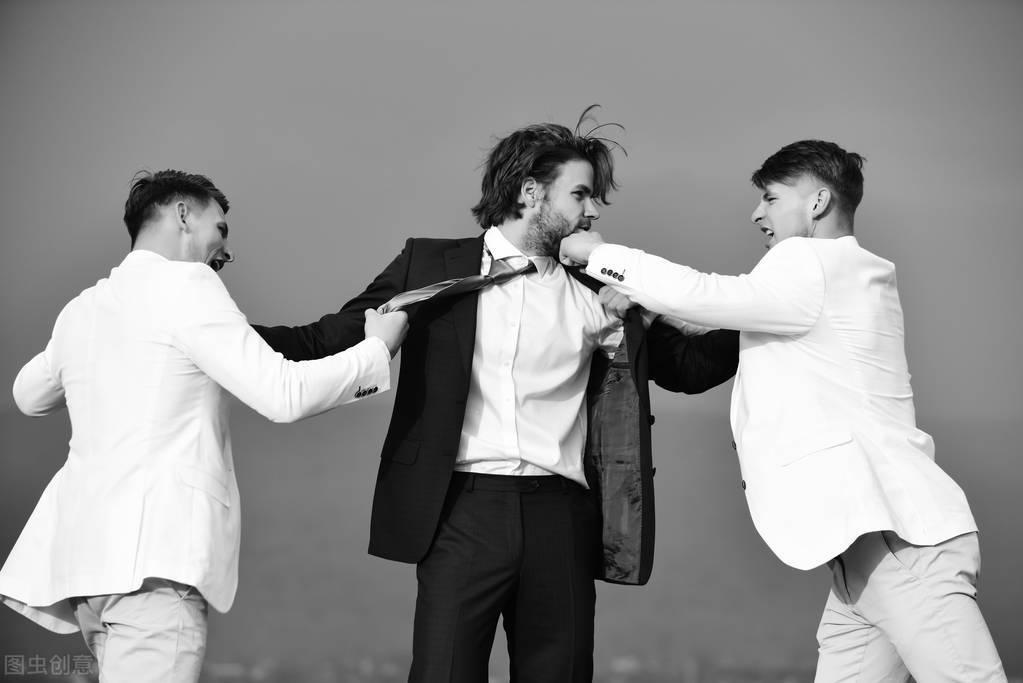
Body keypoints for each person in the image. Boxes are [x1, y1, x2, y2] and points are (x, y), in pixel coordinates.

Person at [254, 108, 739, 682]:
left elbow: (688, 369)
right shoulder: (429, 266)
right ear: (531, 193)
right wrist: (202, 325)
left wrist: (773, 318)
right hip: (459, 512)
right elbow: (323, 339)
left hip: (561, 516)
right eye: (580, 194)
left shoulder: (602, 288)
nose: (593, 211)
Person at [559, 139, 1007, 681]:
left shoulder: (811, 263)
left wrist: (598, 256)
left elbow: (705, 295)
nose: (757, 213)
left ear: (817, 202)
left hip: (898, 545)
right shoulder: (837, 280)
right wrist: (648, 307)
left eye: (771, 198)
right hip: (865, 559)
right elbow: (711, 321)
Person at [1, 170, 408, 683]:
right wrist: (376, 351)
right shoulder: (189, 286)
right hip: (154, 569)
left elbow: (28, 395)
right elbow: (283, 394)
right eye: (221, 229)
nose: (225, 252)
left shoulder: (84, 308)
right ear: (183, 215)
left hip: (86, 574)